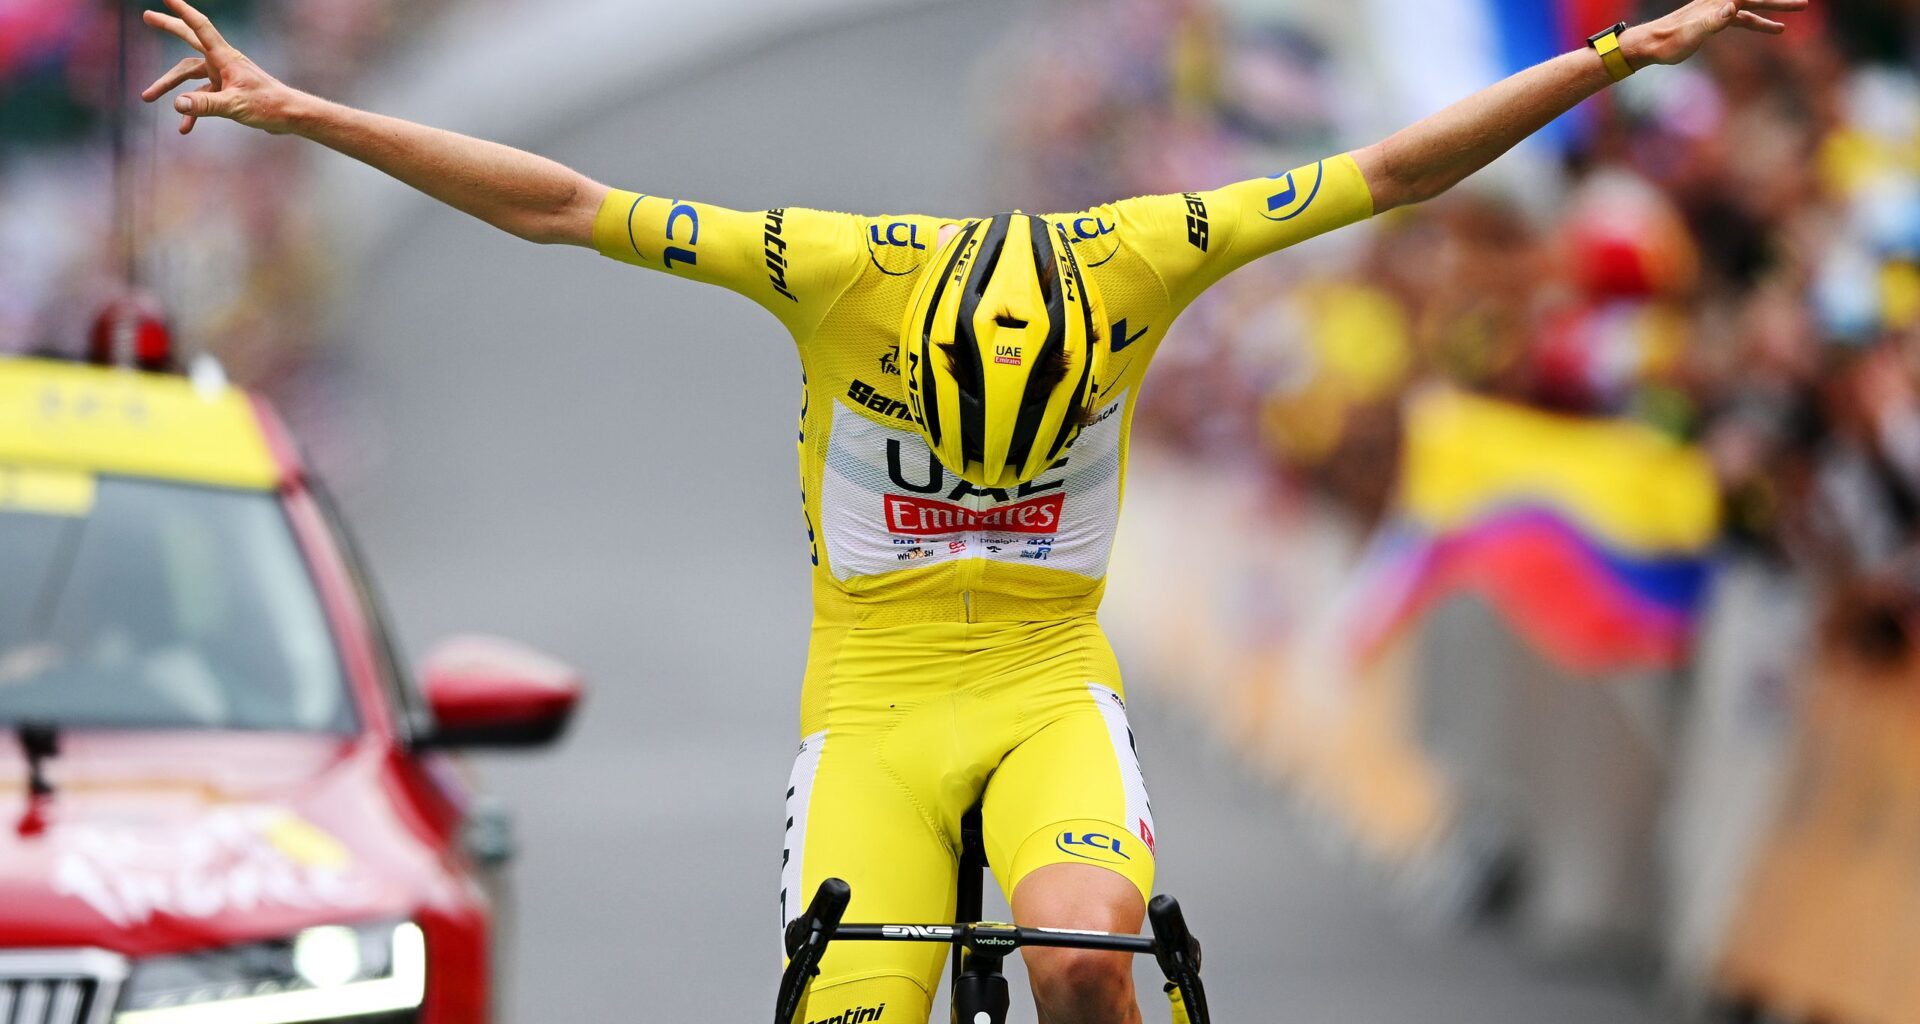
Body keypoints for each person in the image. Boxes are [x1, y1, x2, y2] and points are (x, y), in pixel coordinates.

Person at [139, 1, 1805, 1020]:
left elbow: (1400, 171)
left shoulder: (1143, 251)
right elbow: (566, 203)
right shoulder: (832, 267)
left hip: (1043, 696)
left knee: (1085, 962)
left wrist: (1614, 56)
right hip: (868, 716)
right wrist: (306, 114)